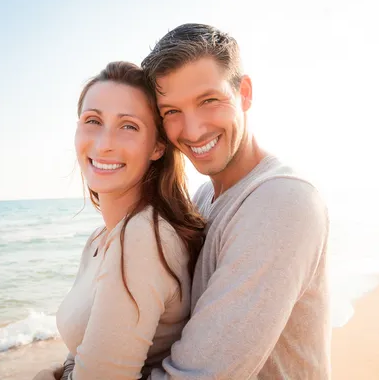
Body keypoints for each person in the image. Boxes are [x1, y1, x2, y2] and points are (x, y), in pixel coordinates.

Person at [140, 23, 331, 379]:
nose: (193, 130)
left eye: (208, 101)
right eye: (172, 112)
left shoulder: (281, 201)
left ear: (244, 93)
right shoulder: (204, 197)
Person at [33, 61, 205, 380]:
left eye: (128, 126)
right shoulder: (101, 239)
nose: (104, 143)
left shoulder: (143, 238)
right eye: (93, 120)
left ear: (157, 146)